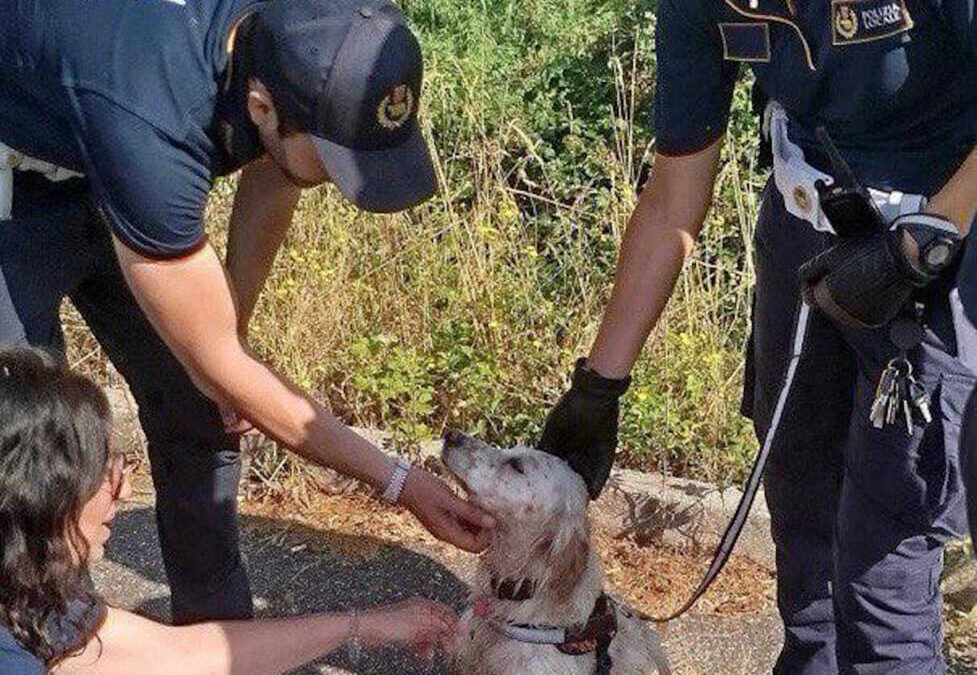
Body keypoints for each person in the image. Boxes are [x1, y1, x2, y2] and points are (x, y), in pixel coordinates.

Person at [0, 0, 495, 625]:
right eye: (336, 160)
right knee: (32, 445)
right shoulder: (153, 118)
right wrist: (399, 482)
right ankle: (44, 640)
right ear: (259, 106)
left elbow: (278, 174)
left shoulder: (306, 38)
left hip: (111, 148)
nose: (345, 184)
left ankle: (220, 642)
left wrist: (229, 345)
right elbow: (222, 360)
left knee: (202, 406)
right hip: (17, 175)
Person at [540, 1, 976, 673]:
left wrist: (923, 242)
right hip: (806, 236)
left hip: (941, 246)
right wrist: (598, 385)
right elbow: (672, 196)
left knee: (880, 589)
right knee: (806, 545)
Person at [0, 347, 460, 675]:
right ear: (41, 497)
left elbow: (169, 655)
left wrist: (363, 626)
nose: (123, 490)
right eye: (105, 472)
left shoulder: (22, 588)